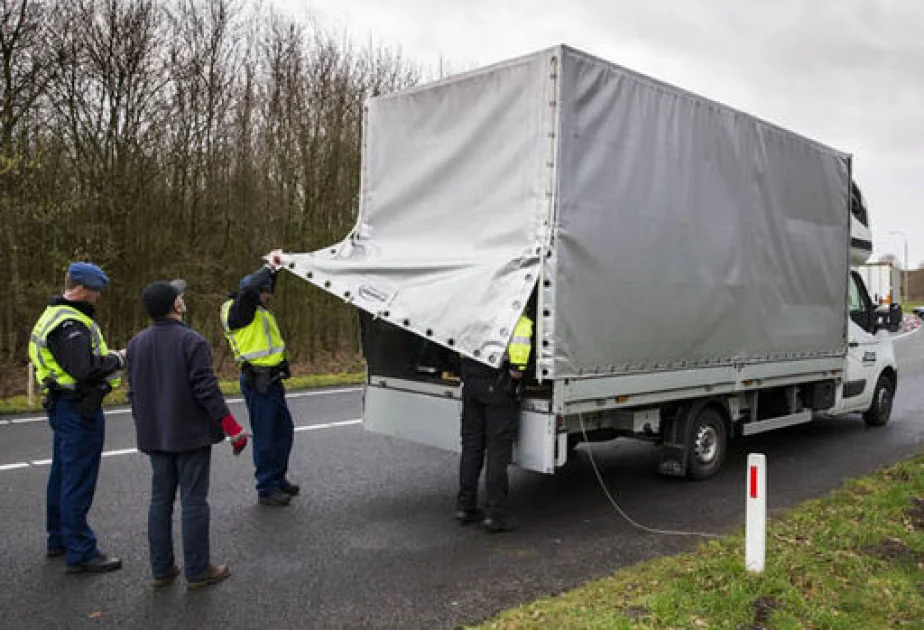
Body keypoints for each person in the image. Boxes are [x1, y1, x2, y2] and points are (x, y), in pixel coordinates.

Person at [126, 279, 249, 589]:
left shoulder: (135, 344)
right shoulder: (192, 342)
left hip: (155, 435)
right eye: (179, 296)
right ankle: (197, 570)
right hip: (191, 434)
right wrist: (232, 428)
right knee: (194, 501)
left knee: (160, 500)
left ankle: (161, 569)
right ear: (176, 305)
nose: (183, 299)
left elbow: (134, 393)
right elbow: (207, 390)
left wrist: (143, 424)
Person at [27, 262, 125, 573]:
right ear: (81, 290)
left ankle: (59, 538)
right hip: (77, 408)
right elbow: (83, 368)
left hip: (64, 404)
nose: (97, 297)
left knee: (62, 475)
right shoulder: (70, 323)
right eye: (95, 292)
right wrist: (117, 359)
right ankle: (81, 550)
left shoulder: (54, 316)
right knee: (77, 479)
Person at [220, 251, 297, 507]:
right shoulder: (238, 310)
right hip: (258, 382)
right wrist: (269, 266)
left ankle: (278, 477)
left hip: (273, 380)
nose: (269, 296)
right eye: (266, 292)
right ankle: (266, 487)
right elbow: (253, 289)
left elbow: (261, 289)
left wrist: (277, 272)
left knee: (284, 431)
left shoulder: (259, 310)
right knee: (265, 435)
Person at [455, 311, 534, 533]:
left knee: (471, 447)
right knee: (498, 452)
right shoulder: (518, 318)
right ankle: (495, 514)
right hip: (497, 387)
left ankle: (465, 507)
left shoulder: (477, 309)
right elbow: (517, 371)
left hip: (470, 383)